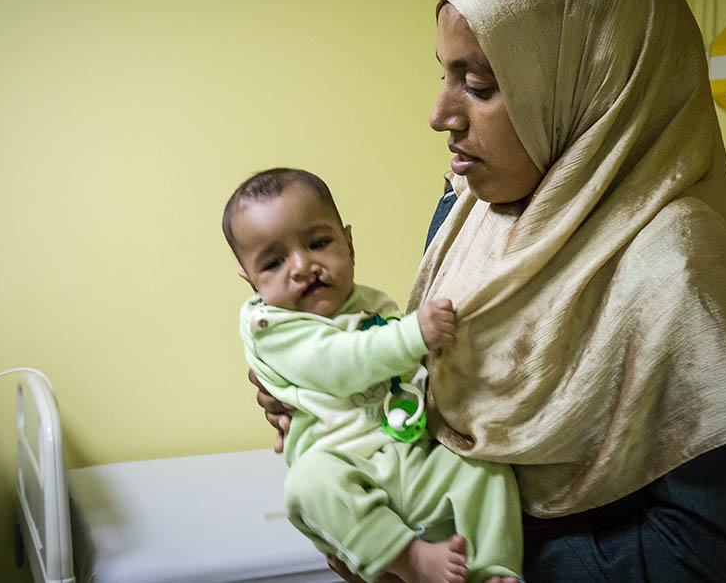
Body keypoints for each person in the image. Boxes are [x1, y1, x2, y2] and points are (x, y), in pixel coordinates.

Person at [252, 0, 726, 582]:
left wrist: (487, 554)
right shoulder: (469, 208)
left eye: (477, 84)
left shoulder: (683, 269)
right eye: (443, 75)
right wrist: (326, 391)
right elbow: (450, 379)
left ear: (586, 84)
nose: (439, 113)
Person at [224, 168, 523, 583]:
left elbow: (406, 372)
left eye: (318, 243)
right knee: (307, 485)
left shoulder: (370, 302)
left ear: (348, 242)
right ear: (252, 283)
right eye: (273, 262)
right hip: (344, 463)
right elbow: (341, 363)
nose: (302, 265)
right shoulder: (270, 327)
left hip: (408, 453)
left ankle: (494, 568)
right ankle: (409, 559)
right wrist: (415, 333)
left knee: (483, 468)